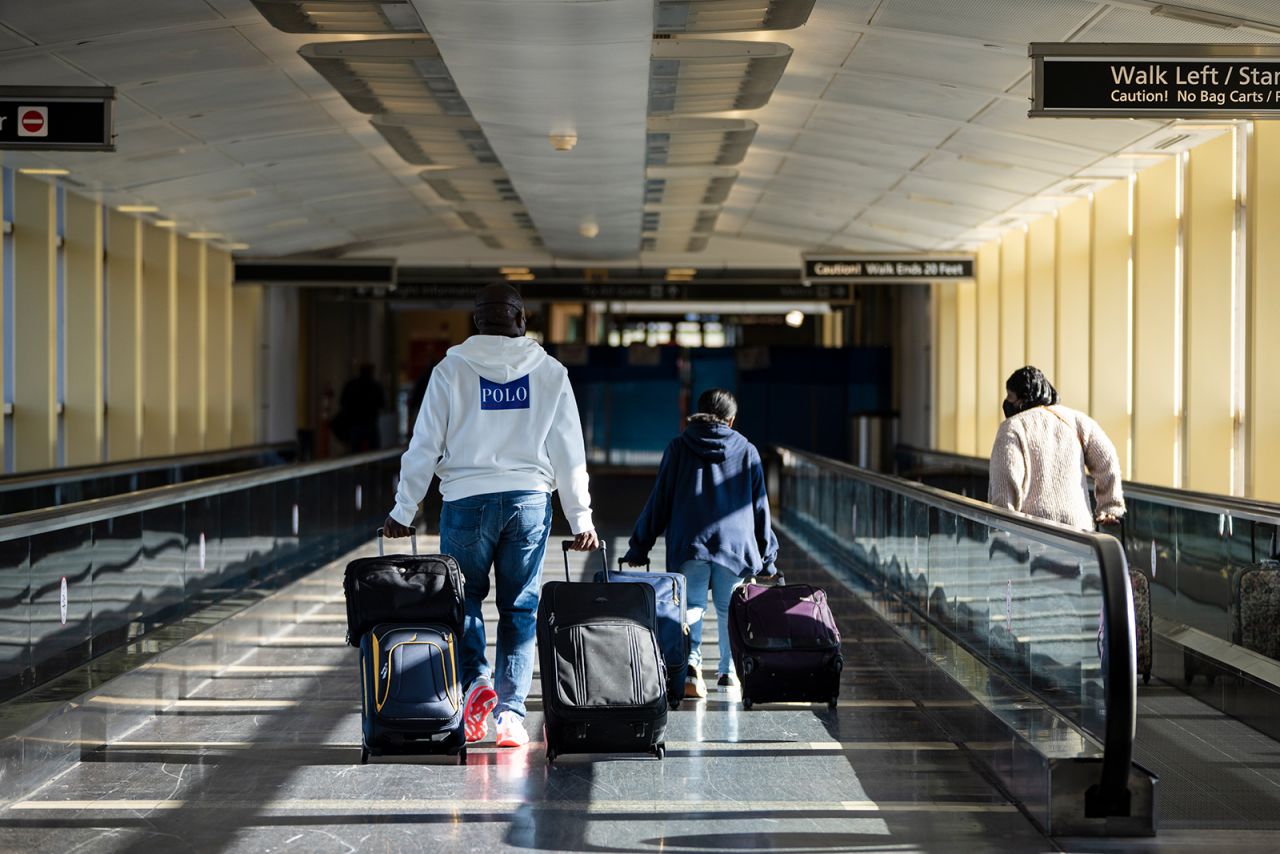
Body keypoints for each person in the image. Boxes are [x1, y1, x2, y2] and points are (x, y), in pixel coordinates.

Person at [383, 283, 599, 748]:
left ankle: (477, 680)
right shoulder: (550, 372)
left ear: (477, 322)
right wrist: (581, 519)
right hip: (528, 502)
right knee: (520, 604)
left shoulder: (451, 370)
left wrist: (404, 509)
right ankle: (511, 716)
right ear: (522, 320)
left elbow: (424, 445)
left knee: (464, 600)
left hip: (465, 500)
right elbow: (569, 453)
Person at [621, 388, 779, 698]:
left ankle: (691, 667)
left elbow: (660, 500)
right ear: (730, 420)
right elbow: (760, 507)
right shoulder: (747, 450)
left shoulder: (679, 446)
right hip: (734, 546)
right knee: (728, 610)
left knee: (691, 606)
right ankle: (728, 673)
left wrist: (640, 545)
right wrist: (768, 557)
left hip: (690, 542)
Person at [988, 365, 1125, 529]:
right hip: (1079, 532)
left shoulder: (1012, 427)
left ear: (1023, 397)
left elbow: (1005, 482)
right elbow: (1107, 458)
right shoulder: (1076, 420)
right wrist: (1110, 506)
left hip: (1033, 534)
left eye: (1010, 396)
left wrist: (1002, 531)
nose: (1007, 401)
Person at [336, 364, 384, 452]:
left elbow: (343, 402)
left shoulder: (353, 385)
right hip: (365, 422)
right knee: (373, 451)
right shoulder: (374, 386)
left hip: (358, 422)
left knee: (356, 450)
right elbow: (382, 404)